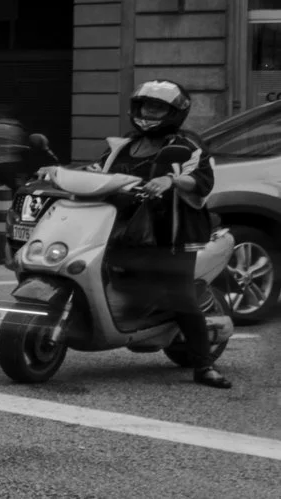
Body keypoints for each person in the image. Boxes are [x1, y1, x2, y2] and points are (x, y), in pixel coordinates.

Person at [81, 81, 228, 390]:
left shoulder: (187, 144)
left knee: (180, 296)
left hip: (172, 234)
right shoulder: (123, 146)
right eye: (147, 107)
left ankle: (204, 366)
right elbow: (96, 169)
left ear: (175, 112)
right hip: (126, 229)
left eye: (158, 108)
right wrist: (57, 173)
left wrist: (170, 181)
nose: (150, 113)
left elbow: (201, 178)